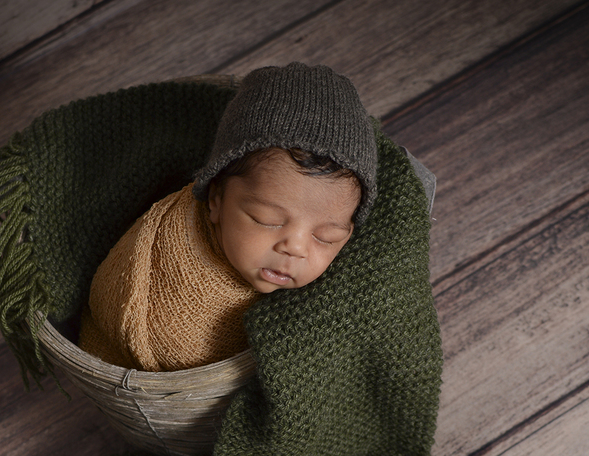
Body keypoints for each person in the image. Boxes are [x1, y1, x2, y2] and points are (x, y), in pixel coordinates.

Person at [79, 62, 377, 372]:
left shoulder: (337, 294)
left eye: (326, 237)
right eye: (266, 219)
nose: (296, 248)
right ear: (215, 198)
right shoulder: (171, 286)